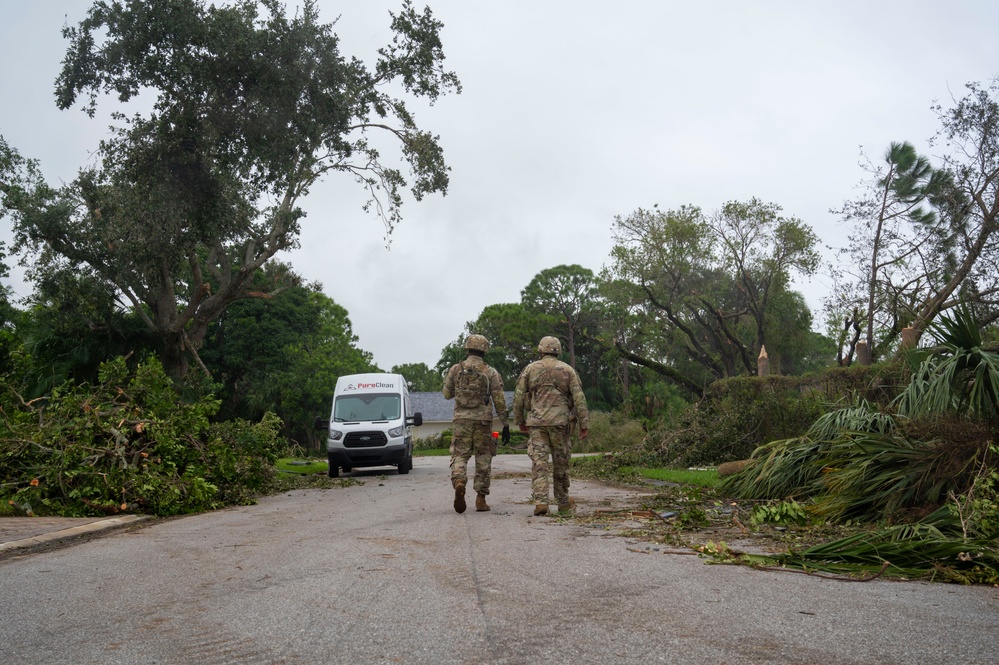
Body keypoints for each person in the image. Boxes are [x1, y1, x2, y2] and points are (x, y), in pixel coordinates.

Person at [513, 336, 589, 516]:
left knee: (539, 463)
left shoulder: (530, 369)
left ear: (541, 351)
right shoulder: (567, 370)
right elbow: (579, 398)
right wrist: (584, 424)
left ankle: (541, 502)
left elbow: (518, 396)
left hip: (537, 424)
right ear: (558, 351)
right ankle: (562, 503)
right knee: (560, 463)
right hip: (560, 424)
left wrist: (520, 421)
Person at [442, 334, 510, 513]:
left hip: (461, 420)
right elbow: (499, 400)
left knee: (460, 455)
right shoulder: (490, 372)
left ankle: (459, 482)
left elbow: (446, 394)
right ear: (485, 350)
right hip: (483, 421)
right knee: (483, 458)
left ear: (467, 348)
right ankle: (481, 499)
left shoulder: (456, 369)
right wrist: (505, 423)